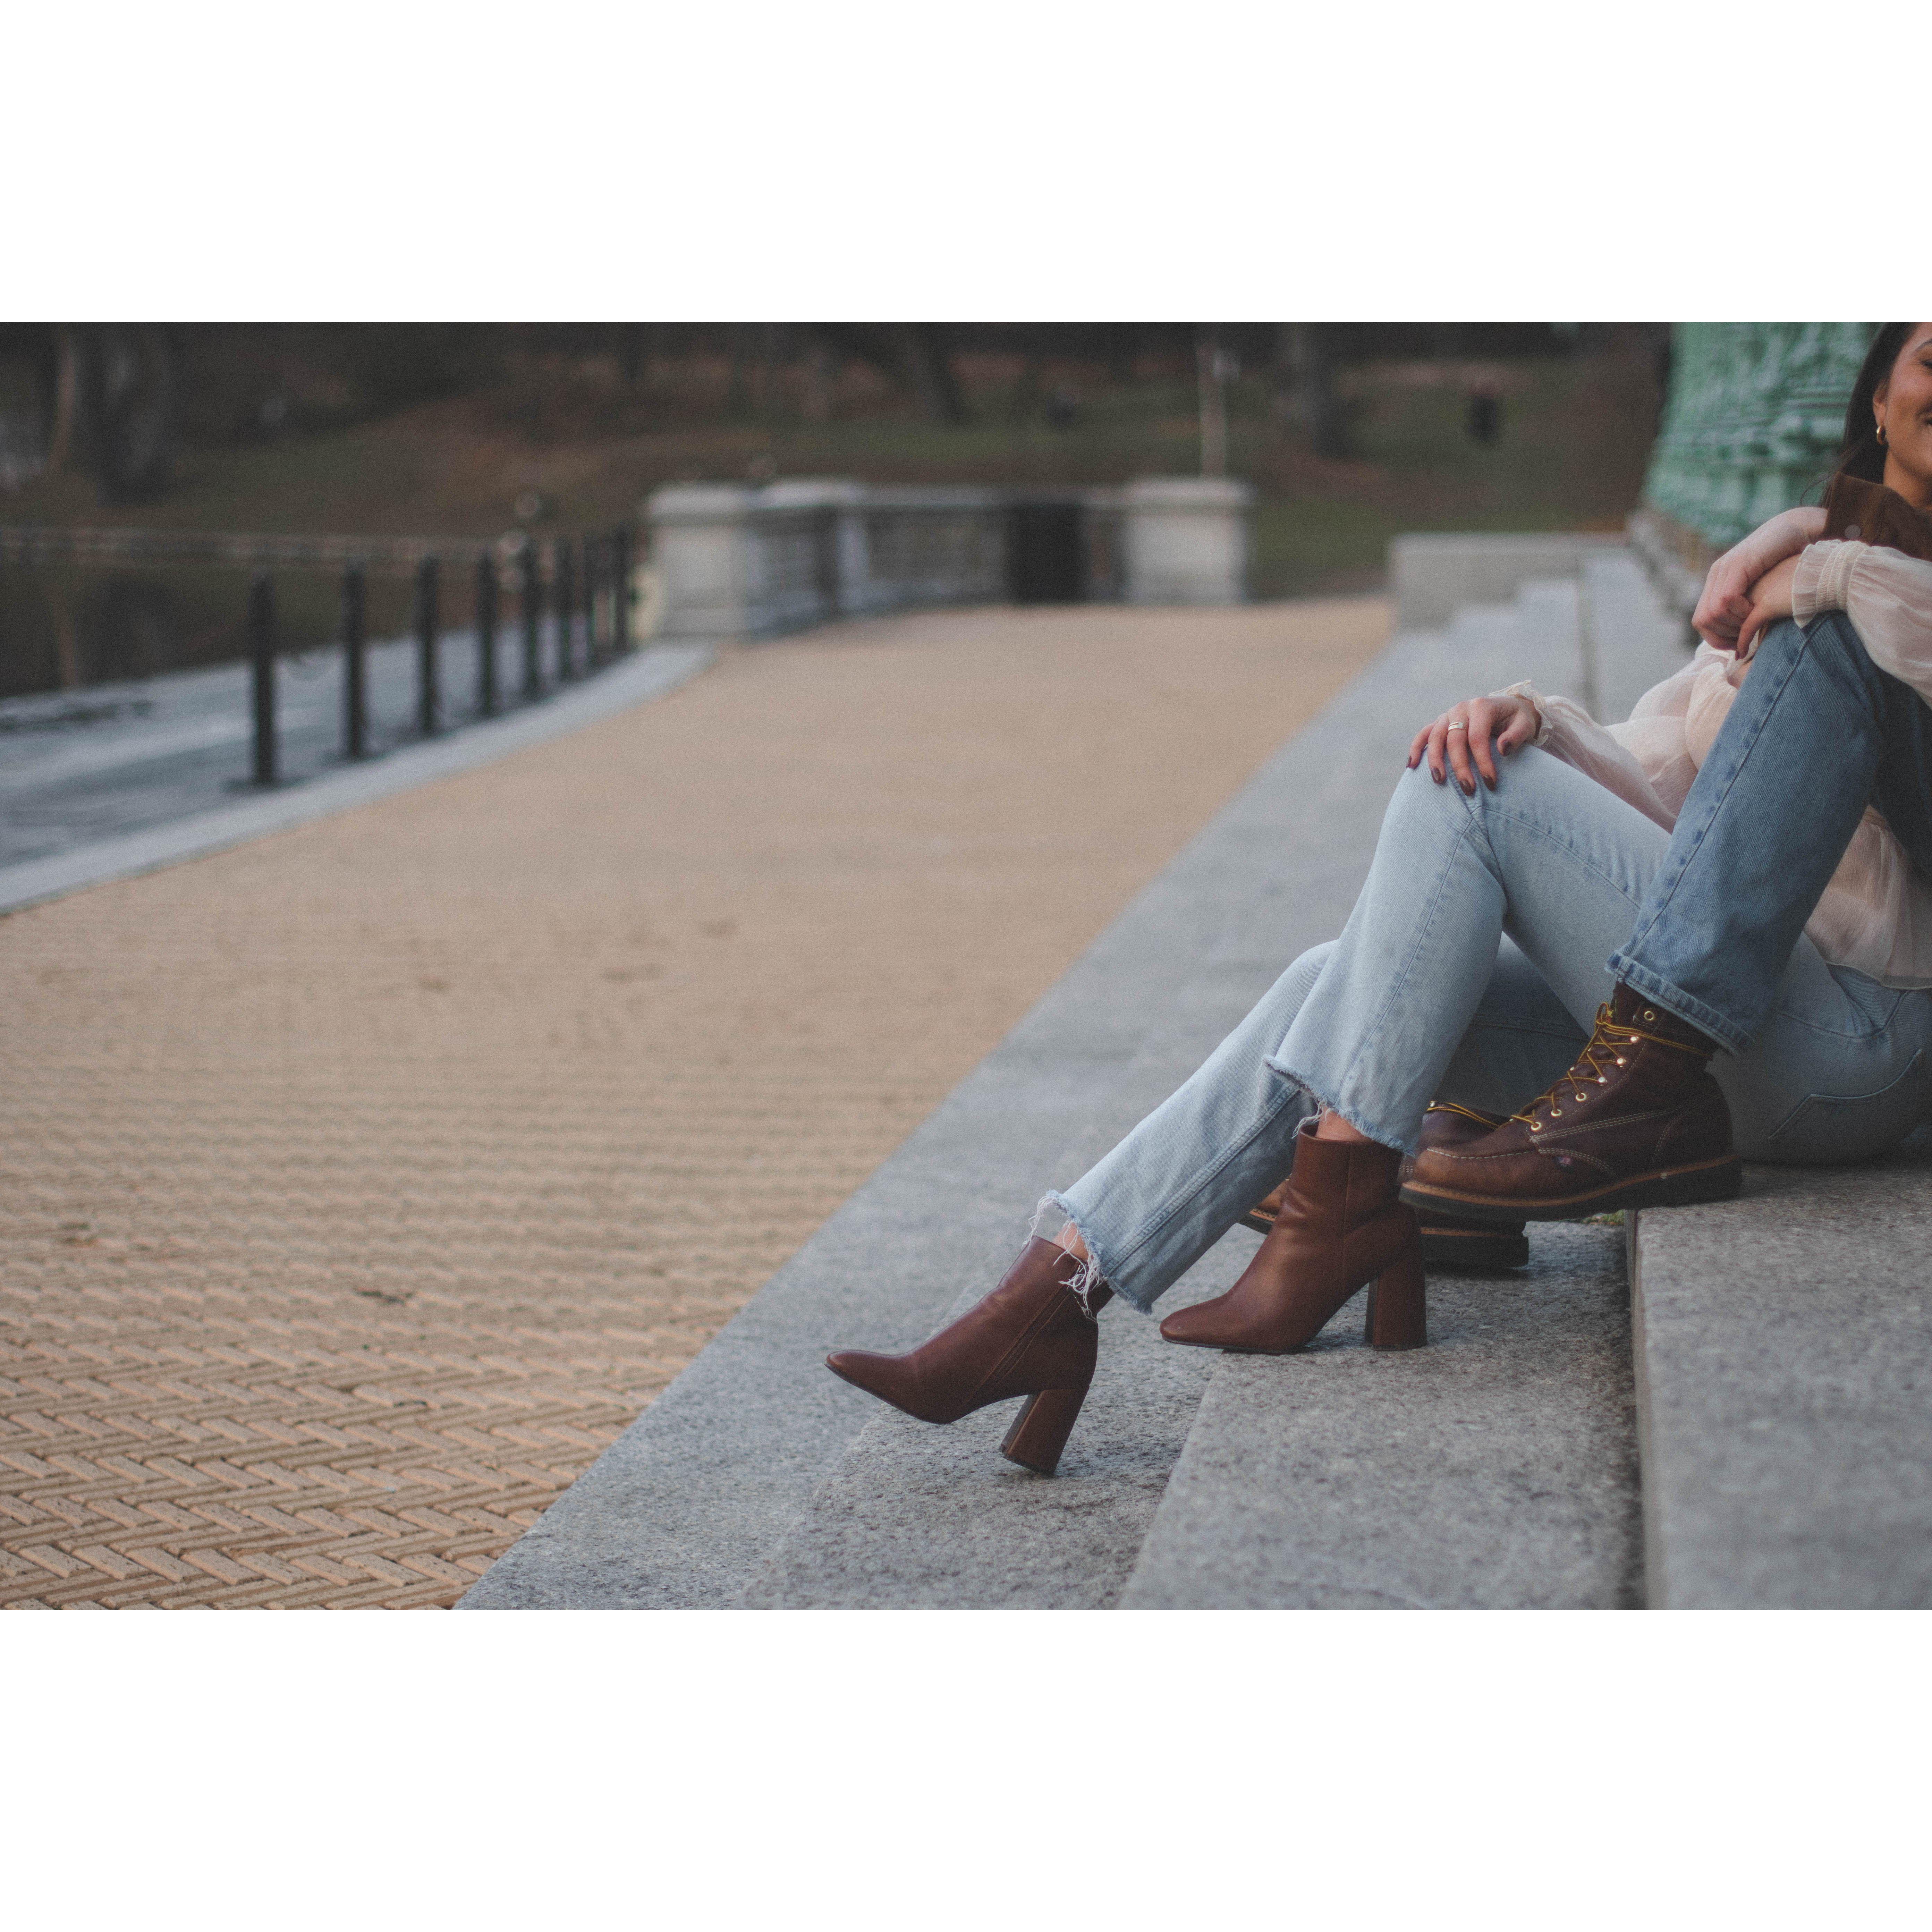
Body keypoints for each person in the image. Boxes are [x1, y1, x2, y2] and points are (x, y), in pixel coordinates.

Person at [826, 323, 1932, 1478]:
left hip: (1853, 1044)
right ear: (1878, 395)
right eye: (1930, 360)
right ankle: (1059, 1290)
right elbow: (1682, 794)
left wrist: (1824, 566)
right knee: (1357, 945)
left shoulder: (1827, 594)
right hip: (1715, 1042)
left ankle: (1347, 1208)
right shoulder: (1807, 573)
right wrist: (1536, 720)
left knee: (1474, 794)